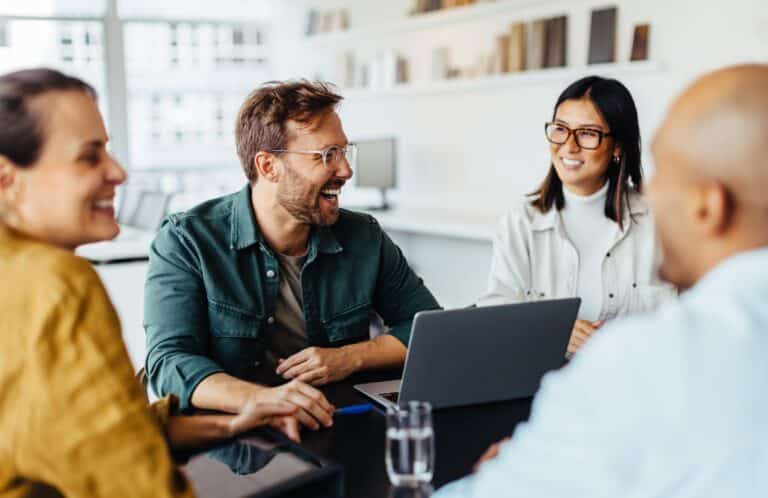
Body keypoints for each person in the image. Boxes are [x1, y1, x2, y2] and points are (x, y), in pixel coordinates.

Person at [435, 64, 768, 497]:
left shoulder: (636, 365)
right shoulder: (522, 219)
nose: (652, 192)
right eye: (559, 129)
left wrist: (510, 471)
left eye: (665, 170)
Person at [0, 68, 301, 498]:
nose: (118, 172)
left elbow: (73, 431)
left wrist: (228, 422)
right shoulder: (57, 284)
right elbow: (138, 486)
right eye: (89, 157)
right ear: (7, 178)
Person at [144, 80, 440, 431]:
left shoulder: (364, 236)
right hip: (233, 442)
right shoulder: (186, 240)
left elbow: (427, 329)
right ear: (269, 166)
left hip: (337, 428)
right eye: (328, 155)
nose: (346, 170)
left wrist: (349, 357)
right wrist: (260, 399)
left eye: (346, 151)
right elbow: (168, 361)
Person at [479, 76, 675, 355]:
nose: (569, 146)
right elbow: (492, 317)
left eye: (587, 133)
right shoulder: (520, 222)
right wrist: (552, 329)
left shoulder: (659, 219)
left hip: (637, 384)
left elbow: (690, 314)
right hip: (545, 383)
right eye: (560, 129)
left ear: (617, 146)